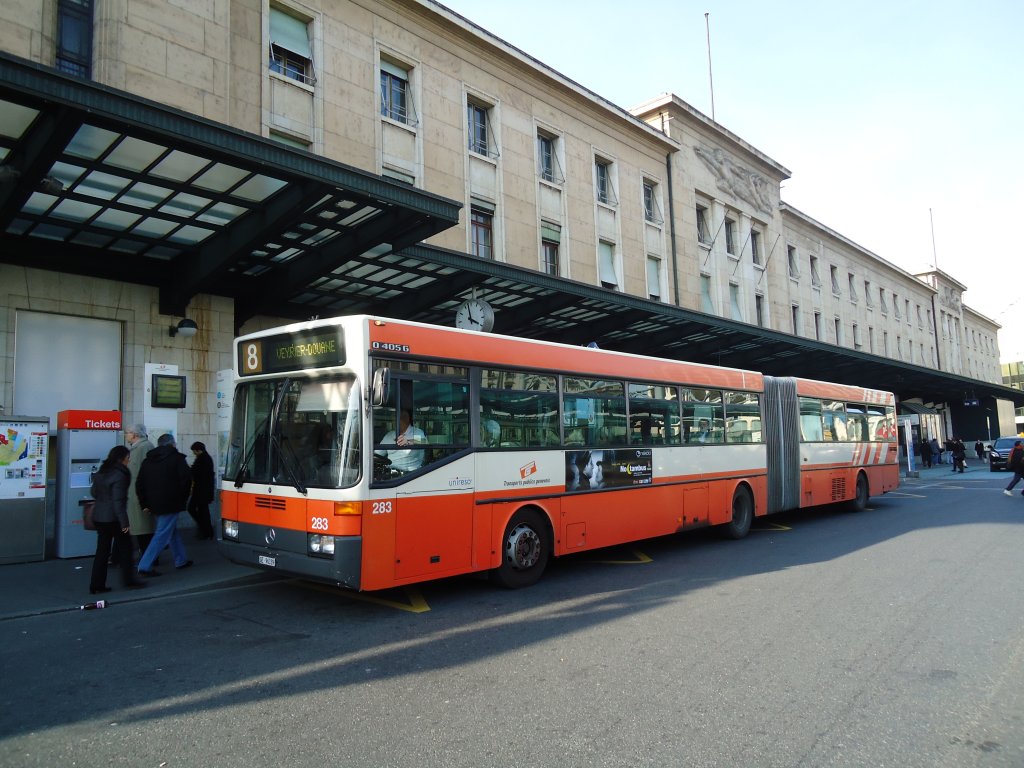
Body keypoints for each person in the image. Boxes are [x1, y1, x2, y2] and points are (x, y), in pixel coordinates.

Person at [88, 445, 146, 595]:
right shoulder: (120, 475)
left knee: (102, 551)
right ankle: (129, 580)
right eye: (127, 458)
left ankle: (96, 585)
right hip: (113, 518)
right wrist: (124, 523)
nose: (129, 461)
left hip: (99, 517)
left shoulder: (102, 471)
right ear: (121, 459)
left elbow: (93, 492)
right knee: (126, 549)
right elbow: (118, 502)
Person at [135, 434, 193, 576]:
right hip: (171, 502)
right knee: (162, 534)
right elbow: (186, 481)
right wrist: (182, 499)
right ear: (172, 444)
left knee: (170, 532)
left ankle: (181, 559)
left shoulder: (148, 461)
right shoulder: (178, 459)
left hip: (153, 503)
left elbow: (139, 484)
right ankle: (144, 565)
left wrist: (144, 503)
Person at [123, 423, 156, 564]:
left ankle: (149, 559)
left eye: (127, 433)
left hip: (140, 496)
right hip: (135, 494)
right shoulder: (137, 448)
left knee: (144, 529)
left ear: (134, 434)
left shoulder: (144, 447)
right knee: (140, 528)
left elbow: (145, 474)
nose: (126, 435)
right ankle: (147, 558)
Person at [188, 441, 216, 540]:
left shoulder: (203, 459)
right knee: (203, 512)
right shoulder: (205, 458)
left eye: (194, 451)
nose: (193, 453)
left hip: (201, 491)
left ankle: (206, 530)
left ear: (198, 450)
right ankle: (206, 531)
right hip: (203, 491)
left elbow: (196, 473)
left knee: (196, 510)